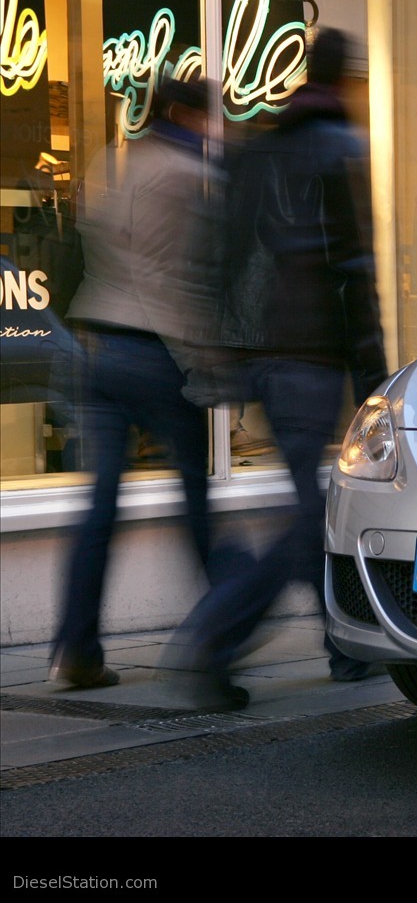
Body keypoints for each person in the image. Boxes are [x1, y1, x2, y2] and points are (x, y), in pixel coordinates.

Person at [171, 28, 388, 709]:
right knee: (307, 516)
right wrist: (374, 372)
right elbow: (354, 267)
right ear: (345, 80)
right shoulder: (341, 148)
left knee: (309, 502)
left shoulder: (257, 150)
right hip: (309, 354)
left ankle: (344, 647)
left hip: (263, 353)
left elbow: (223, 253)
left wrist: (231, 349)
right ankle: (215, 638)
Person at [50, 77, 222, 688]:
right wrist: (208, 358)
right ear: (184, 114)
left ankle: (77, 648)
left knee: (99, 505)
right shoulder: (184, 177)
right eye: (207, 117)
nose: (212, 129)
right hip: (153, 351)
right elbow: (184, 279)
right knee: (195, 497)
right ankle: (221, 633)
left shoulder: (109, 164)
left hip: (94, 343)